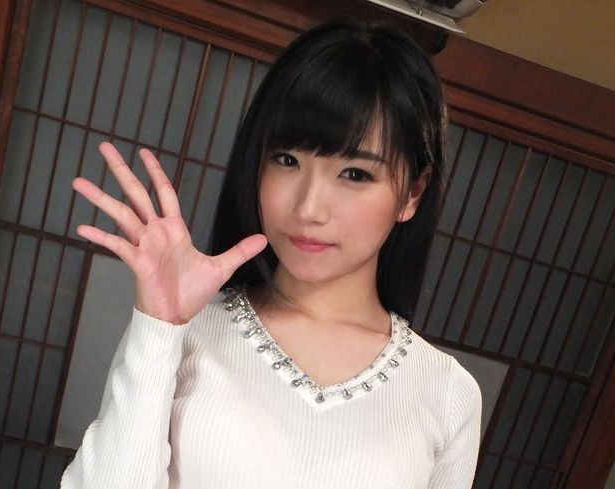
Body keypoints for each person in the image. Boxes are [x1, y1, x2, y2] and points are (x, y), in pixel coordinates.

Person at [61, 19, 482, 489]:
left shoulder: (448, 392)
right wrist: (158, 328)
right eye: (287, 160)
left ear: (413, 194)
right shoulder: (183, 328)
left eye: (356, 174)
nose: (308, 209)